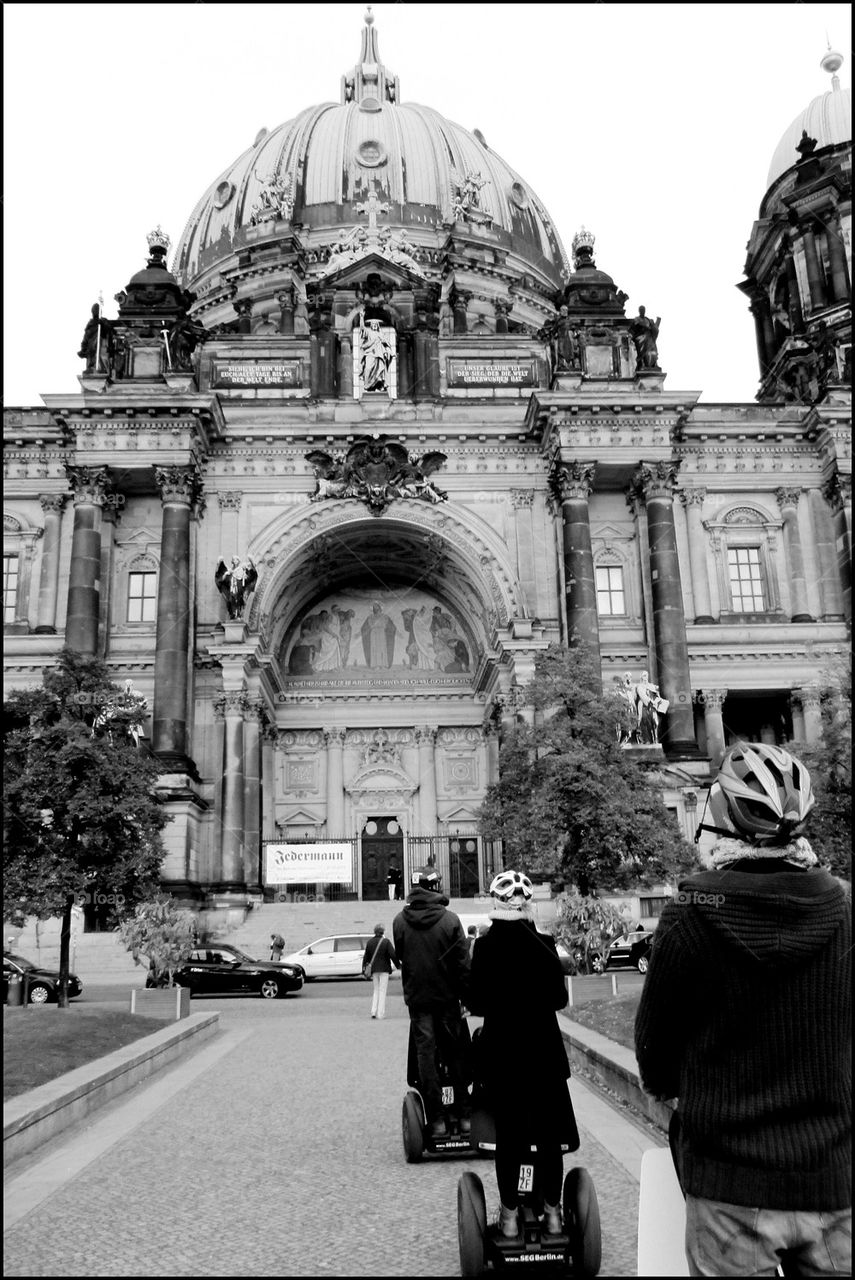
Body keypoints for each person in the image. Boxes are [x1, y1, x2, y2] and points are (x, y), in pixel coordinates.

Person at [635, 743, 851, 1277]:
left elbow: (655, 1059)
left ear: (719, 825)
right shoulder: (847, 910)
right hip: (835, 1181)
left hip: (731, 1190)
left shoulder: (690, 916)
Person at [469, 870, 579, 1239]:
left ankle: (511, 1218)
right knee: (549, 1138)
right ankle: (552, 1213)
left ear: (495, 904)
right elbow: (559, 1000)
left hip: (504, 1056)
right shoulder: (545, 943)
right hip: (544, 1054)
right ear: (528, 904)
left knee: (511, 1139)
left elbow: (477, 1001)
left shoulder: (484, 947)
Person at [392, 866, 472, 1138]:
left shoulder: (399, 922)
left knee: (425, 1057)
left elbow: (402, 956)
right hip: (448, 1000)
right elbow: (463, 965)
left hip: (419, 1001)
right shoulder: (450, 920)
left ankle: (436, 1120)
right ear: (435, 887)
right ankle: (463, 1116)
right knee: (456, 1054)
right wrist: (468, 997)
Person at [362, 924, 400, 1019]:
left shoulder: (370, 942)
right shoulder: (386, 942)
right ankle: (381, 1014)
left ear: (375, 931)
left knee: (376, 990)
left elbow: (366, 957)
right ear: (383, 932)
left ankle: (373, 1012)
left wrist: (363, 970)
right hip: (384, 970)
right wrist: (398, 965)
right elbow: (393, 955)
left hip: (374, 970)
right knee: (382, 991)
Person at [630, 305, 661, 370]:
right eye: (641, 310)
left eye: (643, 310)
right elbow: (632, 329)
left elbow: (654, 329)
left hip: (649, 336)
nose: (642, 311)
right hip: (640, 336)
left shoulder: (648, 320)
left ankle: (654, 363)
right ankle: (643, 361)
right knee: (644, 339)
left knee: (652, 344)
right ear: (639, 311)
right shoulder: (636, 319)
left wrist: (654, 327)